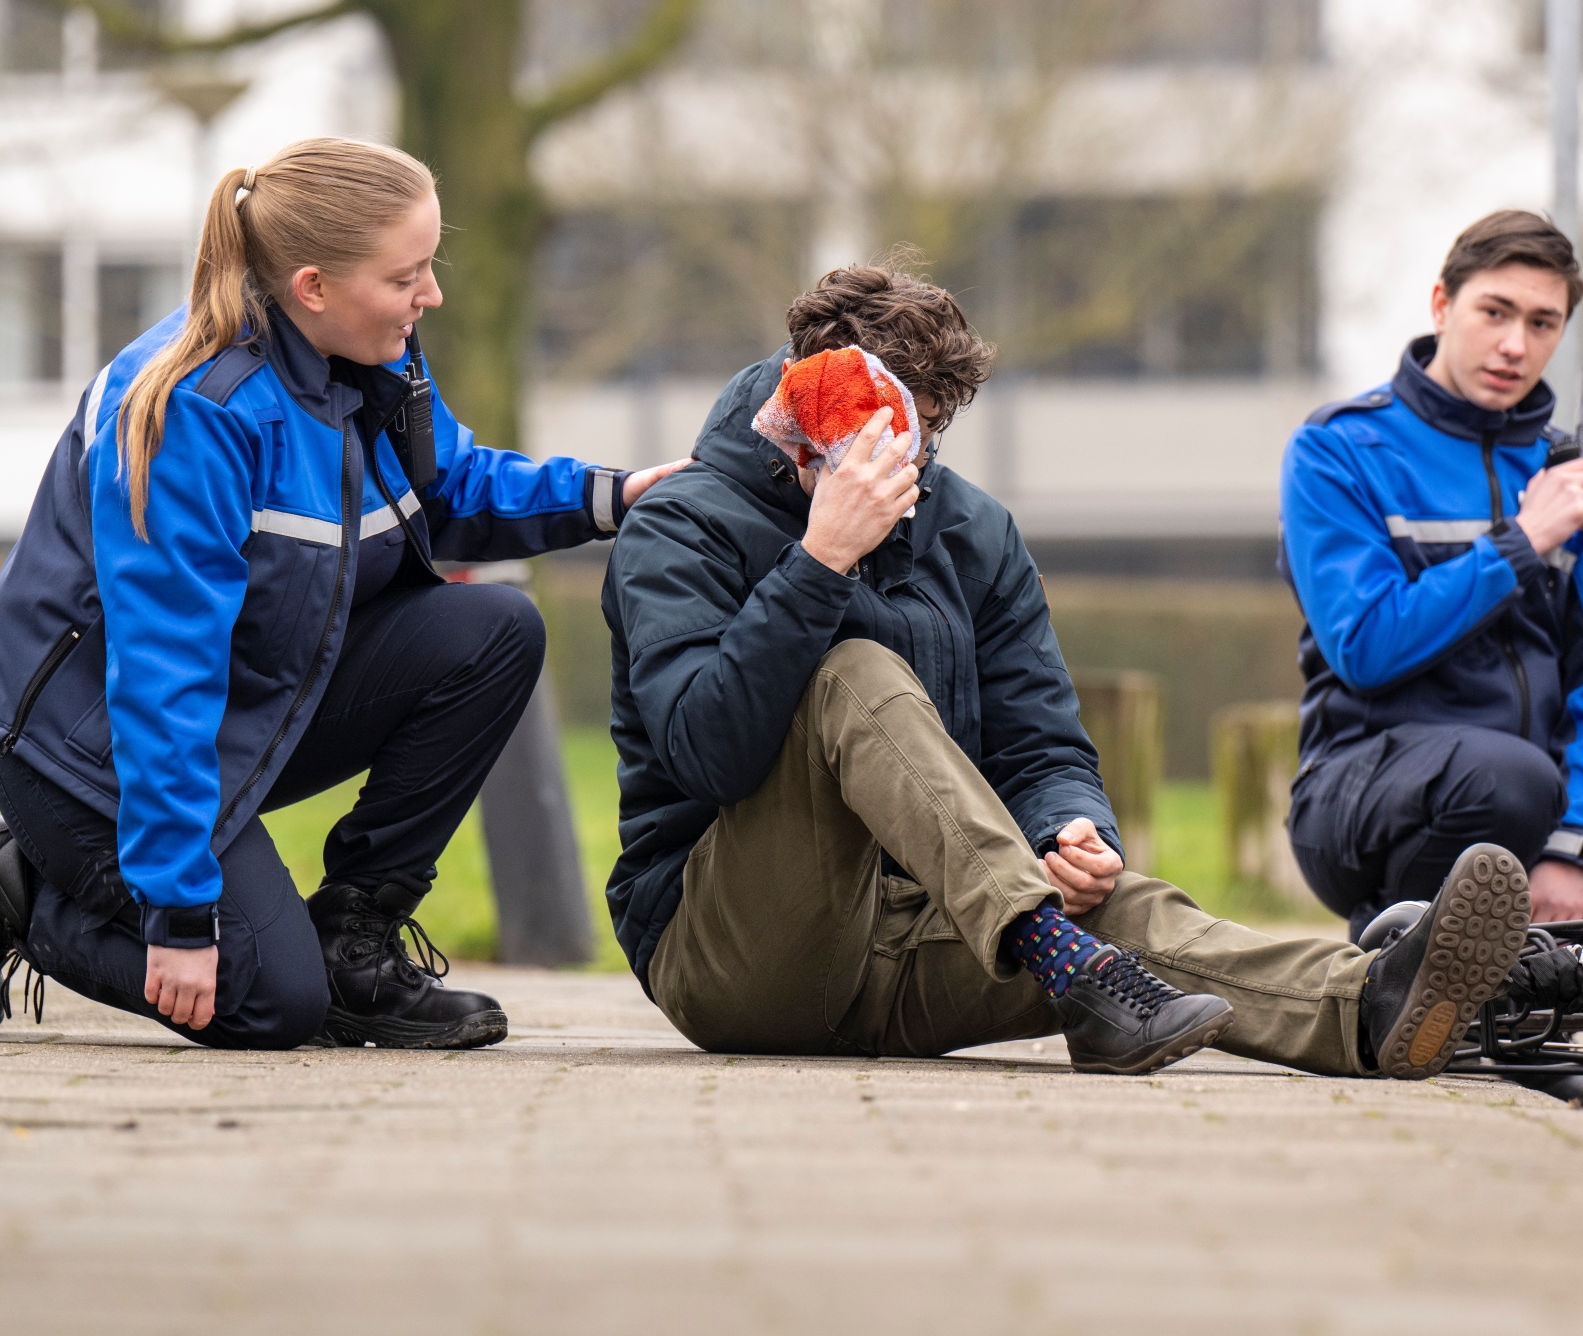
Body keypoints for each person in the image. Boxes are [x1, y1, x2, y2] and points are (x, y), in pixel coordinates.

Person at [603, 257, 1533, 1080]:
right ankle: (1059, 951)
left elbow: (1042, 740)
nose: (902, 463)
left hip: (923, 941)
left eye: (921, 437)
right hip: (736, 955)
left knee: (1125, 915)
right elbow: (705, 755)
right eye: (875, 429)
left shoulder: (973, 530)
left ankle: (1371, 1007)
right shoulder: (682, 522)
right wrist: (820, 562)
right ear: (808, 400)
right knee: (855, 671)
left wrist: (1071, 826)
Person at [0, 138, 683, 1051]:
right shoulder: (196, 410)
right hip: (86, 756)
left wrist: (614, 497)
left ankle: (356, 949)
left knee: (496, 630)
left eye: (430, 267)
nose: (429, 296)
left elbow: (450, 485)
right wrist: (181, 914)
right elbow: (164, 673)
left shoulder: (369, 357)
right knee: (266, 1002)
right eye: (408, 276)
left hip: (232, 710)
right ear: (313, 285)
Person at [1277, 210, 1583, 950]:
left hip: (1544, 806)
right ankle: (1393, 954)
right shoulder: (1338, 452)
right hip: (1362, 798)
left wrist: (1577, 845)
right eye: (1495, 312)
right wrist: (1521, 542)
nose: (1516, 345)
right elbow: (1364, 643)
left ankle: (1517, 967)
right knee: (1505, 782)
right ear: (1441, 304)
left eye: (1543, 323)